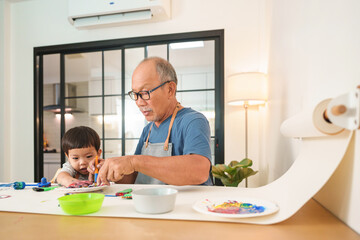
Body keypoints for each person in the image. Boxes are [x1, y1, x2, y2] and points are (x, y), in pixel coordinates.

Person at [88, 57, 213, 186]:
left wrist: (133, 161)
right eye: (135, 94)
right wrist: (111, 169)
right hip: (153, 204)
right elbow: (136, 177)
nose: (139, 102)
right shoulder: (148, 130)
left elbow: (199, 171)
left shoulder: (193, 121)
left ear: (170, 89)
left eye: (145, 92)